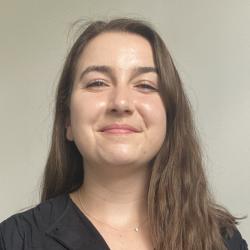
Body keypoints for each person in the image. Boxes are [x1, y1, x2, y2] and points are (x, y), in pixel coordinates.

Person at [0, 18, 248, 250]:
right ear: (68, 121)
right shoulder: (14, 240)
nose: (121, 102)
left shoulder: (222, 240)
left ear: (170, 117)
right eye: (97, 83)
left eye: (145, 85)